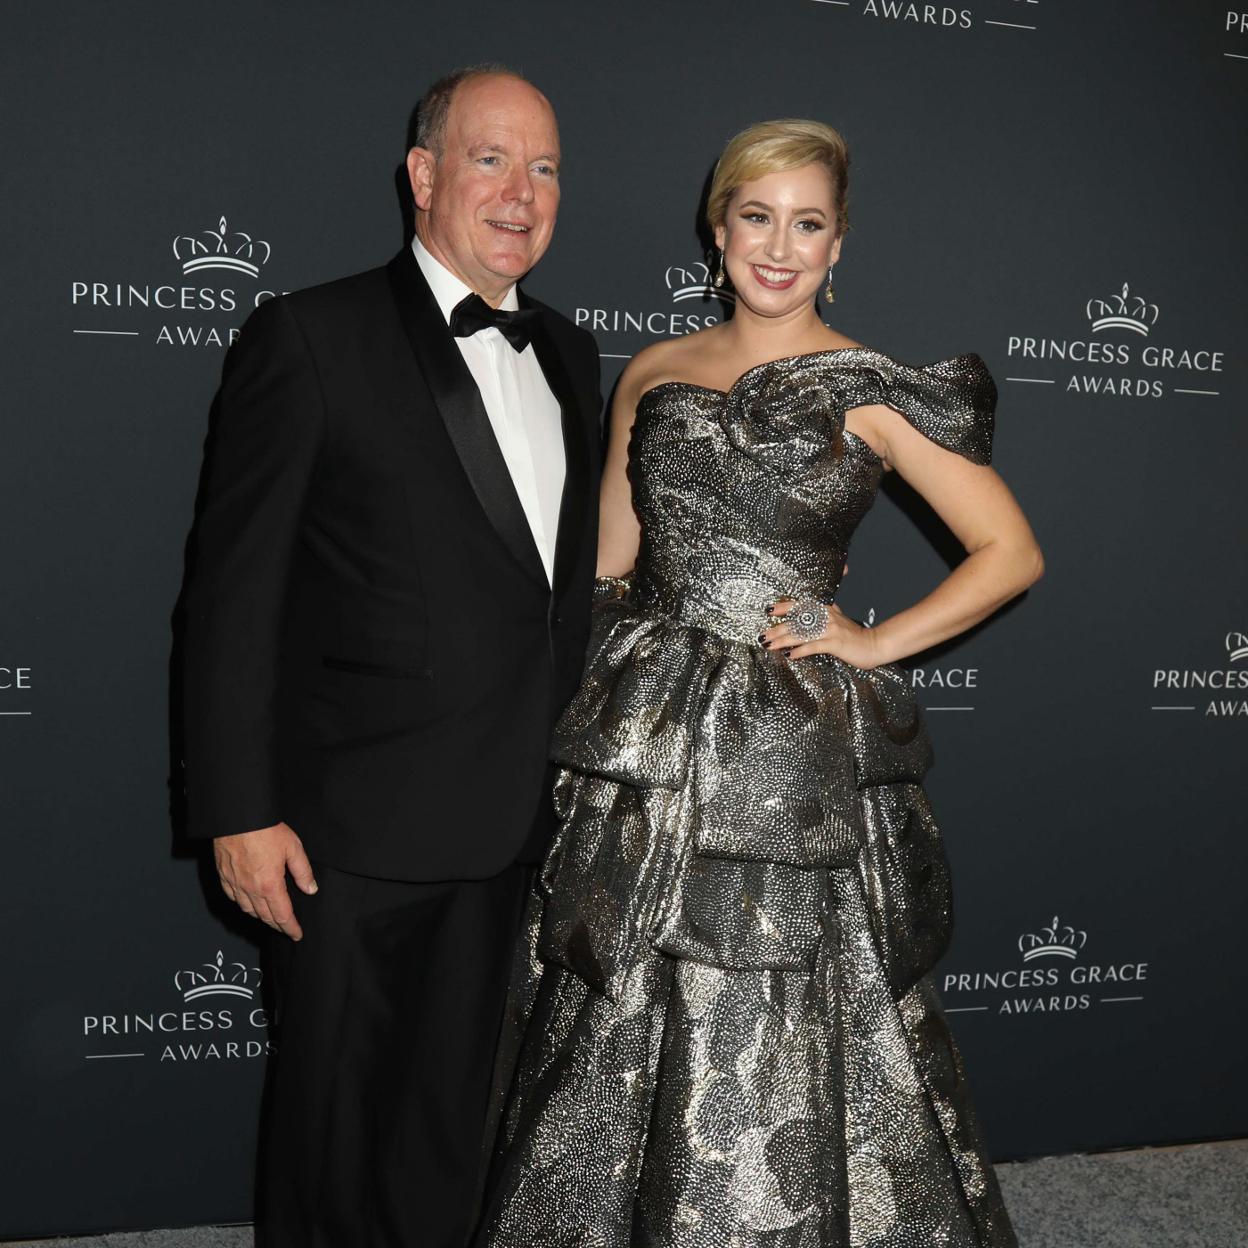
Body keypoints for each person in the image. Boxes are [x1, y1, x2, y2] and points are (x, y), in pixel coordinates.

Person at [474, 119, 1041, 1247]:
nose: (779, 246)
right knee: (615, 982)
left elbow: (1010, 552)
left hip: (790, 739)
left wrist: (873, 643)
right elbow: (611, 558)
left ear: (838, 245)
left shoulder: (869, 389)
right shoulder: (654, 371)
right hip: (653, 720)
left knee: (790, 985)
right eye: (757, 217)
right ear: (717, 227)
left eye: (808, 223)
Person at [177, 66, 601, 1247]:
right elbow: (231, 599)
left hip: (513, 821)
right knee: (333, 1141)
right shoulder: (309, 338)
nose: (521, 193)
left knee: (452, 1133)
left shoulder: (571, 356)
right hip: (346, 837)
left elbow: (552, 596)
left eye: (546, 167)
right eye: (489, 159)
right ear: (423, 176)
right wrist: (237, 808)